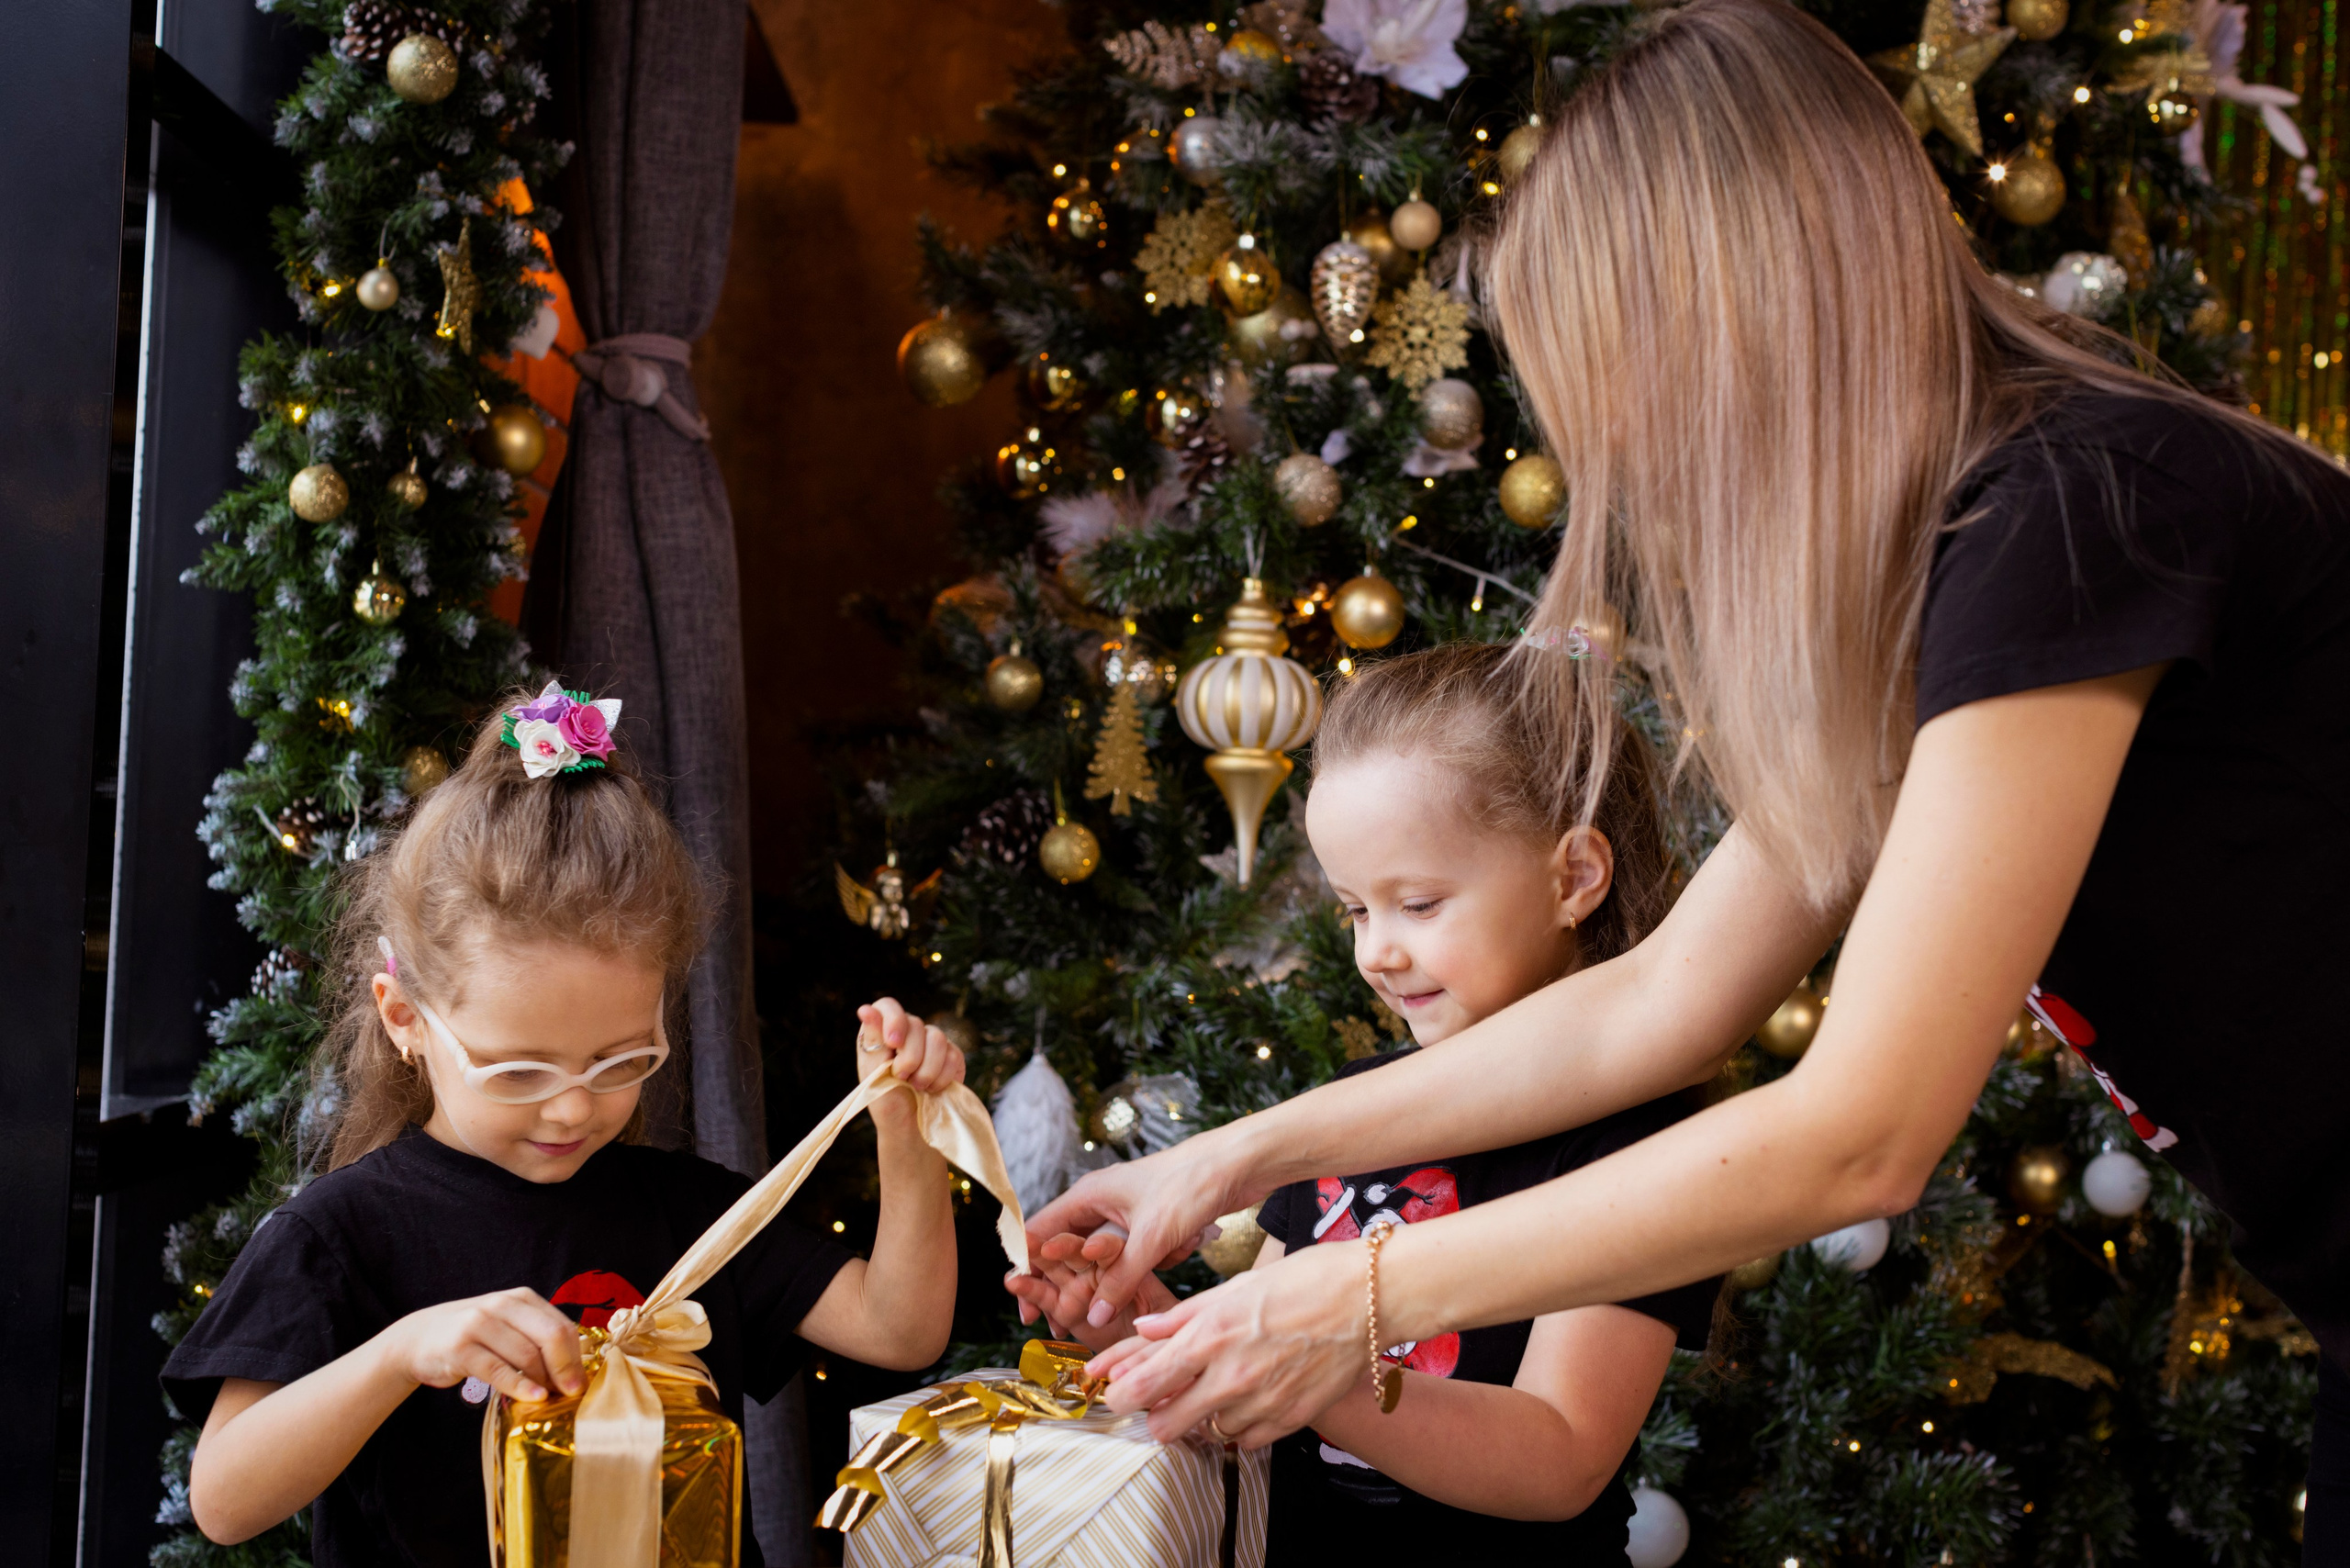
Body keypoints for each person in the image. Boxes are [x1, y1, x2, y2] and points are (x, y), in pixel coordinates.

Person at [1027, 0, 2350, 1553]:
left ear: (1740, 315)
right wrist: (1220, 1163)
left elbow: (1863, 1130)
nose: (1624, 462)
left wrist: (1342, 1296)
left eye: (1618, 380)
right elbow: (1661, 998)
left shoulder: (2074, 511)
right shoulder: (1966, 562)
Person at [163, 685, 967, 1565]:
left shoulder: (694, 1215)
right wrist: (400, 1353)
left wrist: (908, 1131)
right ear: (405, 1020)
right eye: (519, 1072)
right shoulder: (340, 1236)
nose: (574, 1107)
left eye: (621, 1061)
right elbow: (225, 1502)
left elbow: (900, 1331)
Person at [1009, 644, 1720, 1561]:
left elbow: (1560, 1459)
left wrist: (1315, 1372)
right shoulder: (1350, 1109)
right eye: (1354, 910)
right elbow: (1253, 1365)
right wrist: (1161, 1332)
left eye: (1417, 904)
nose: (1375, 952)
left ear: (1574, 877)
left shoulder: (1637, 1141)